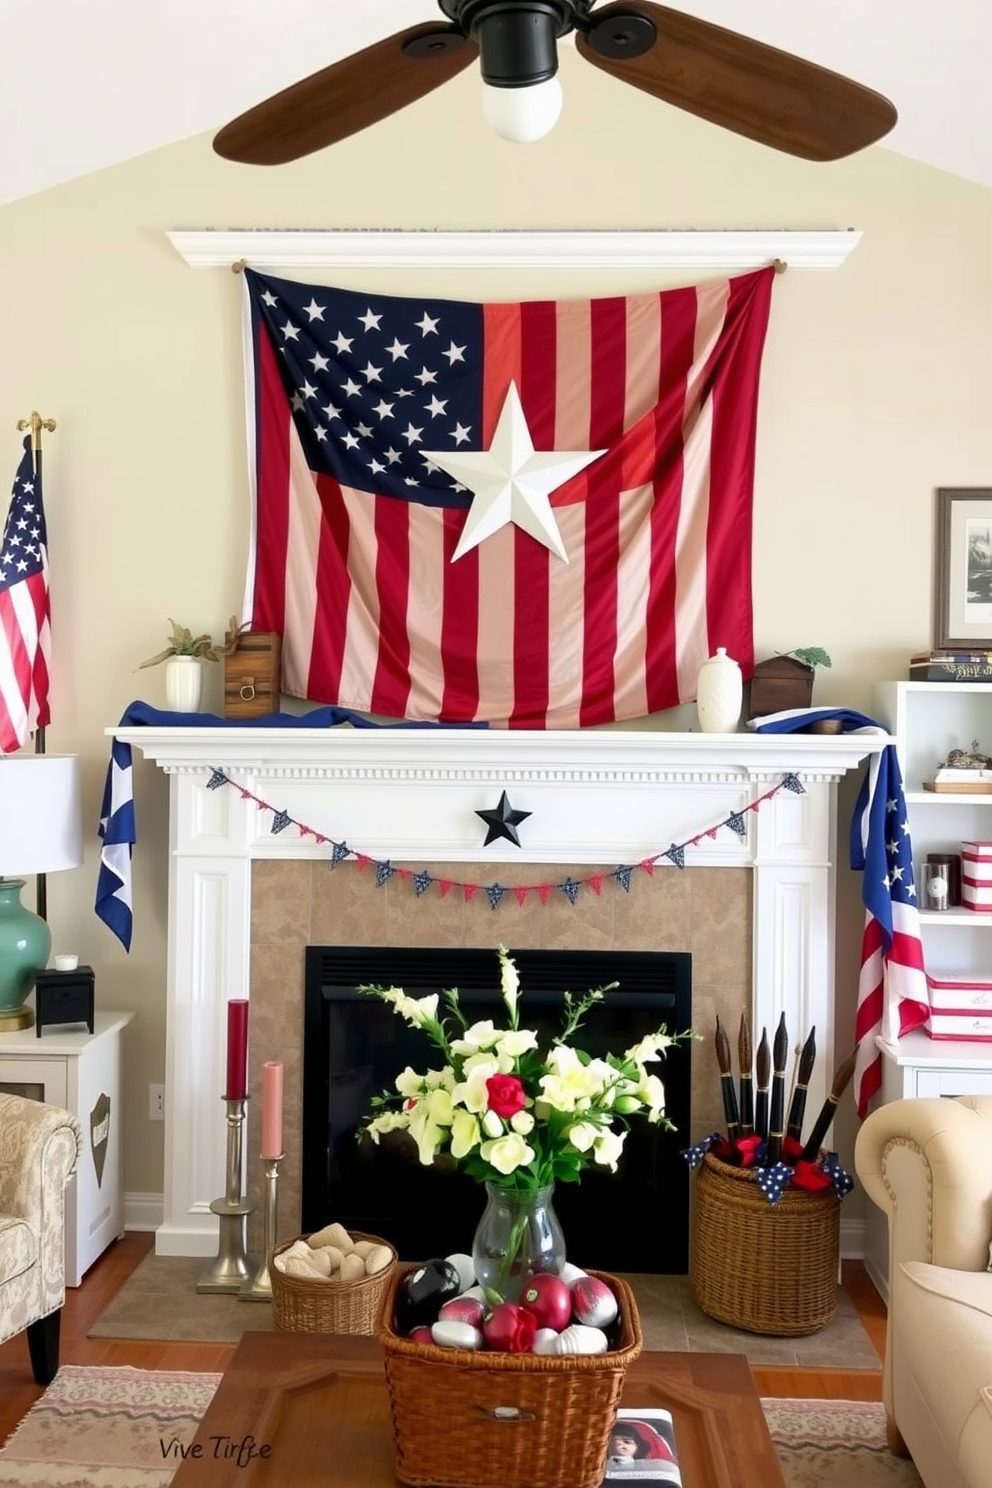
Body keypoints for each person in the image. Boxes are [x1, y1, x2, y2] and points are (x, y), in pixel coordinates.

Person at [607, 1418, 678, 1466]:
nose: (619, 1444)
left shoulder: (646, 1466)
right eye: (613, 1441)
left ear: (637, 1446)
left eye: (627, 1442)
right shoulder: (600, 1467)